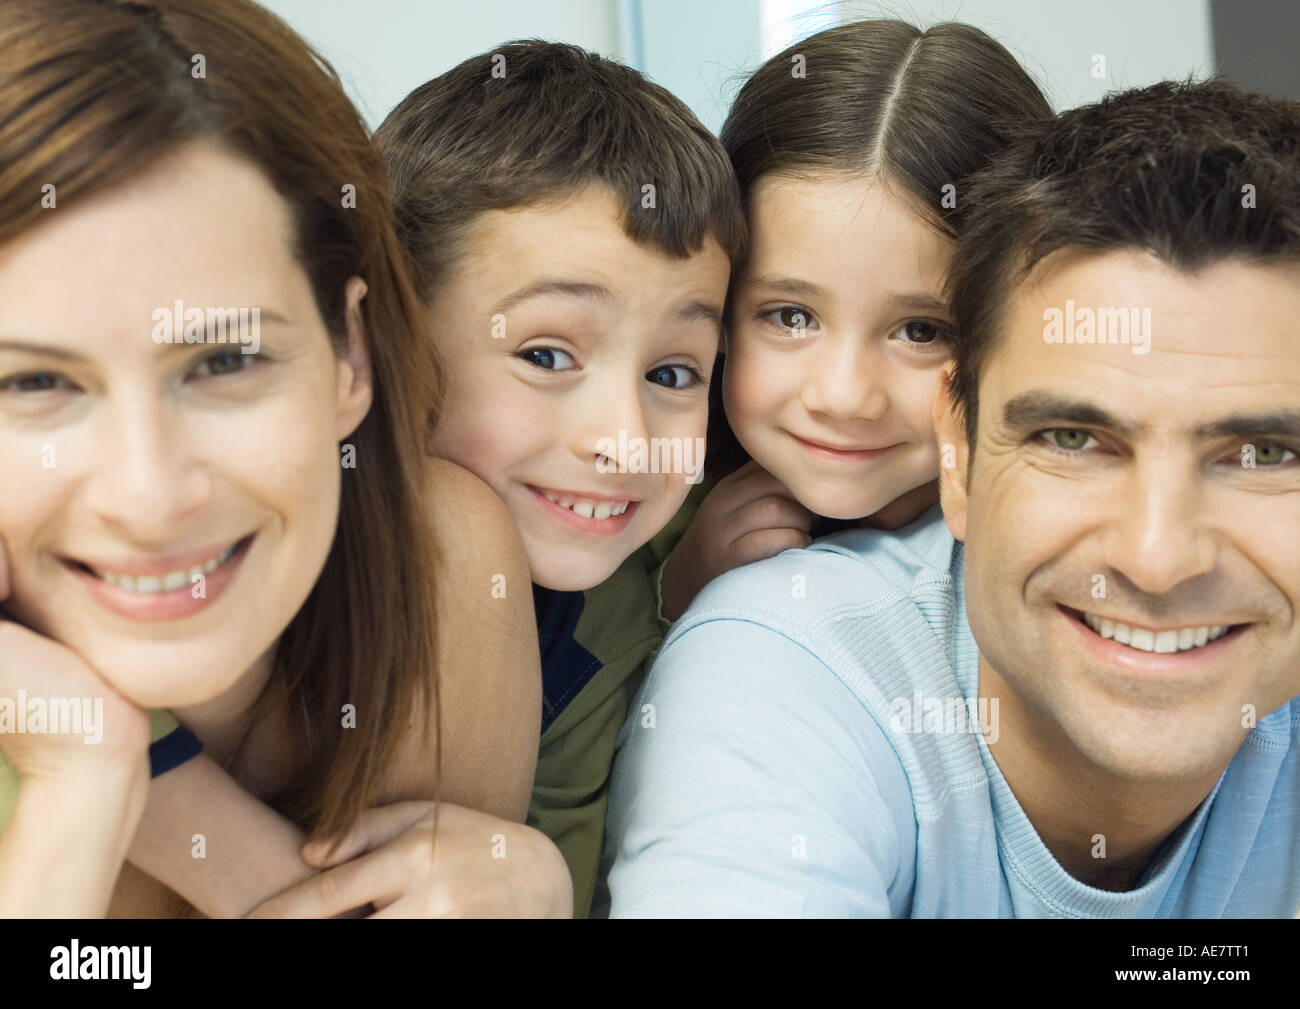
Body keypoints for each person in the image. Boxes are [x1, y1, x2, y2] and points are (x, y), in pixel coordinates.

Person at [603, 78, 1300, 917]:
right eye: (1072, 438)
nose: (1156, 558)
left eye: (1263, 454)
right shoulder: (777, 655)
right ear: (958, 452)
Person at [0, 0, 566, 918]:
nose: (149, 496)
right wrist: (83, 785)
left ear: (350, 355)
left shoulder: (446, 562)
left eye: (224, 361)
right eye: (32, 383)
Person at [373, 40, 745, 916]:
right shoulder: (275, 539)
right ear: (387, 339)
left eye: (672, 374)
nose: (623, 442)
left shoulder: (653, 577)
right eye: (546, 354)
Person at [656, 20, 1052, 621]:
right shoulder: (632, 502)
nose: (844, 397)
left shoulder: (1065, 541)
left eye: (922, 331)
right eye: (791, 317)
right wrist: (677, 590)